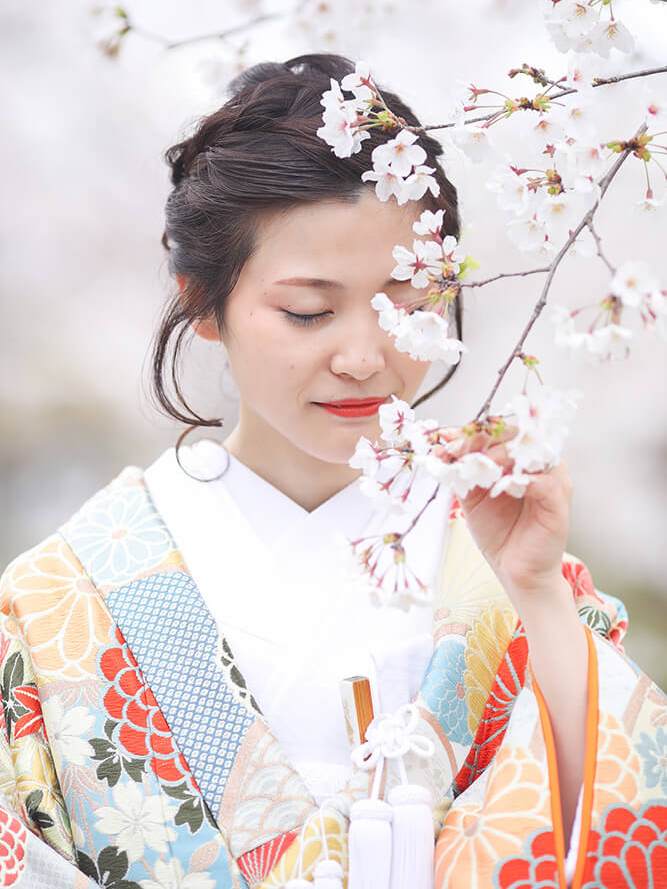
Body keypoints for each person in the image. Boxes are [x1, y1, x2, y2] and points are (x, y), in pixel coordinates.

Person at [0, 53, 664, 889]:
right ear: (202, 302)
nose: (364, 356)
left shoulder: (506, 562)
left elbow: (620, 827)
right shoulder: (63, 595)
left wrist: (535, 592)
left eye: (410, 300)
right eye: (308, 311)